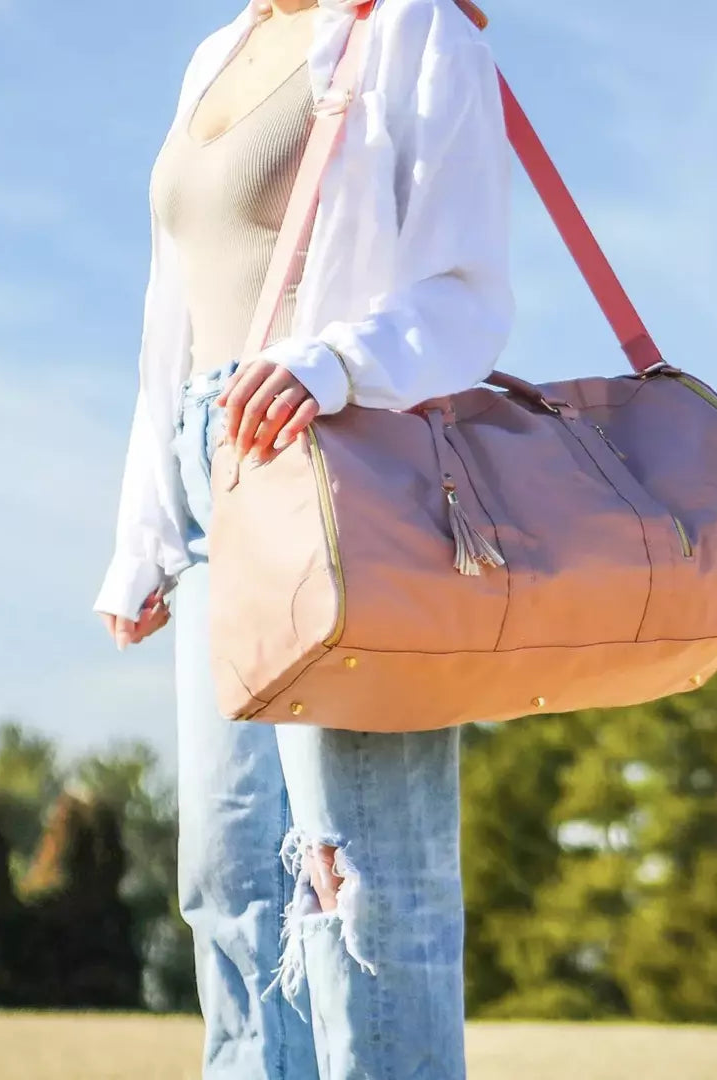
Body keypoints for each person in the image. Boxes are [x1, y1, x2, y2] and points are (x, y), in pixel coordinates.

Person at [92, 0, 513, 1076]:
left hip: (344, 470)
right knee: (233, 886)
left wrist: (333, 362)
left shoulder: (418, 28)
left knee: (365, 876)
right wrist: (147, 530)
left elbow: (467, 296)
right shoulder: (212, 56)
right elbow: (171, 316)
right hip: (212, 479)